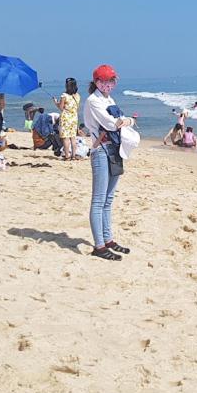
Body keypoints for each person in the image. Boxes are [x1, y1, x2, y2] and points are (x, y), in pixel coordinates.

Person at [82, 64, 135, 261]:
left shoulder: (108, 99)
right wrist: (126, 121)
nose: (108, 84)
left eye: (111, 81)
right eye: (104, 81)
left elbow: (121, 120)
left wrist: (125, 121)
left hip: (114, 149)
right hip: (101, 151)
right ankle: (99, 246)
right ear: (96, 82)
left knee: (109, 199)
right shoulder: (93, 101)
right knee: (98, 200)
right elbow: (112, 123)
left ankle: (108, 239)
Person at [56, 77, 81, 161]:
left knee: (66, 138)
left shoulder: (64, 95)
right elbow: (76, 108)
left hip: (66, 118)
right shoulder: (77, 96)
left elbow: (61, 107)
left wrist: (56, 102)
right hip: (74, 118)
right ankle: (73, 156)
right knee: (73, 138)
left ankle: (67, 156)